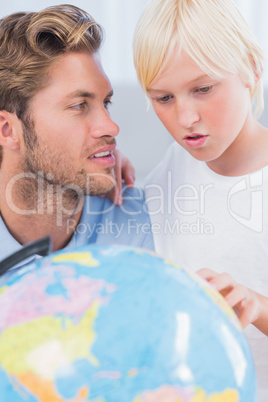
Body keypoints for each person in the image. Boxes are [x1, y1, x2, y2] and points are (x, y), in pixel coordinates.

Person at [132, 0, 268, 399]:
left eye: (203, 89)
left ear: (250, 69)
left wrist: (258, 307)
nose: (185, 118)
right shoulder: (178, 161)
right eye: (163, 98)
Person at [0, 5, 154, 269]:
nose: (111, 127)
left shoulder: (143, 230)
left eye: (106, 103)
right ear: (7, 130)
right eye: (79, 105)